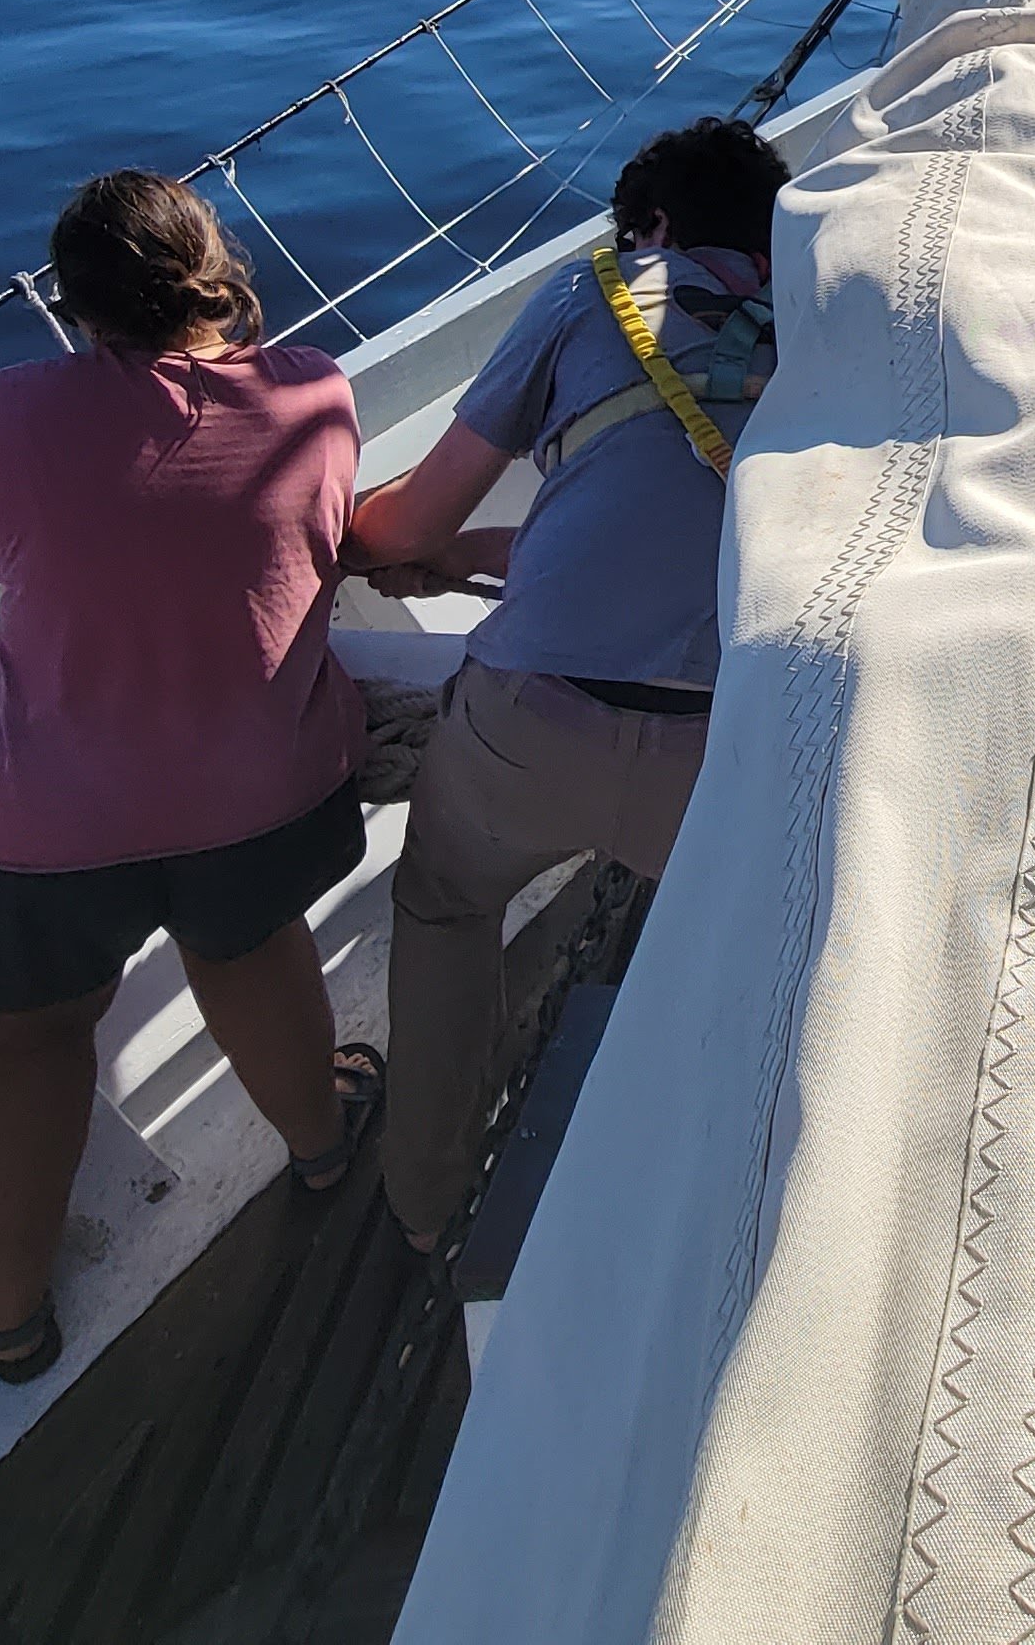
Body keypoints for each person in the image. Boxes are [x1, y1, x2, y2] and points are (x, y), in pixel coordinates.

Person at [0, 172, 371, 1384]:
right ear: (212, 275)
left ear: (71, 302)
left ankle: (9, 1317)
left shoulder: (1, 410)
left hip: (42, 826)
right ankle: (326, 1150)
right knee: (249, 947)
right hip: (259, 799)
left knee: (26, 1039)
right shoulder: (317, 390)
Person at [349, 113, 791, 1252]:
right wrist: (482, 554)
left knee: (447, 907)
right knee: (751, 954)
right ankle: (730, 1217)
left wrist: (375, 538)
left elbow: (414, 517)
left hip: (527, 728)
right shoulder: (844, 328)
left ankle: (427, 1202)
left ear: (649, 225)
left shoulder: (592, 290)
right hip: (727, 752)